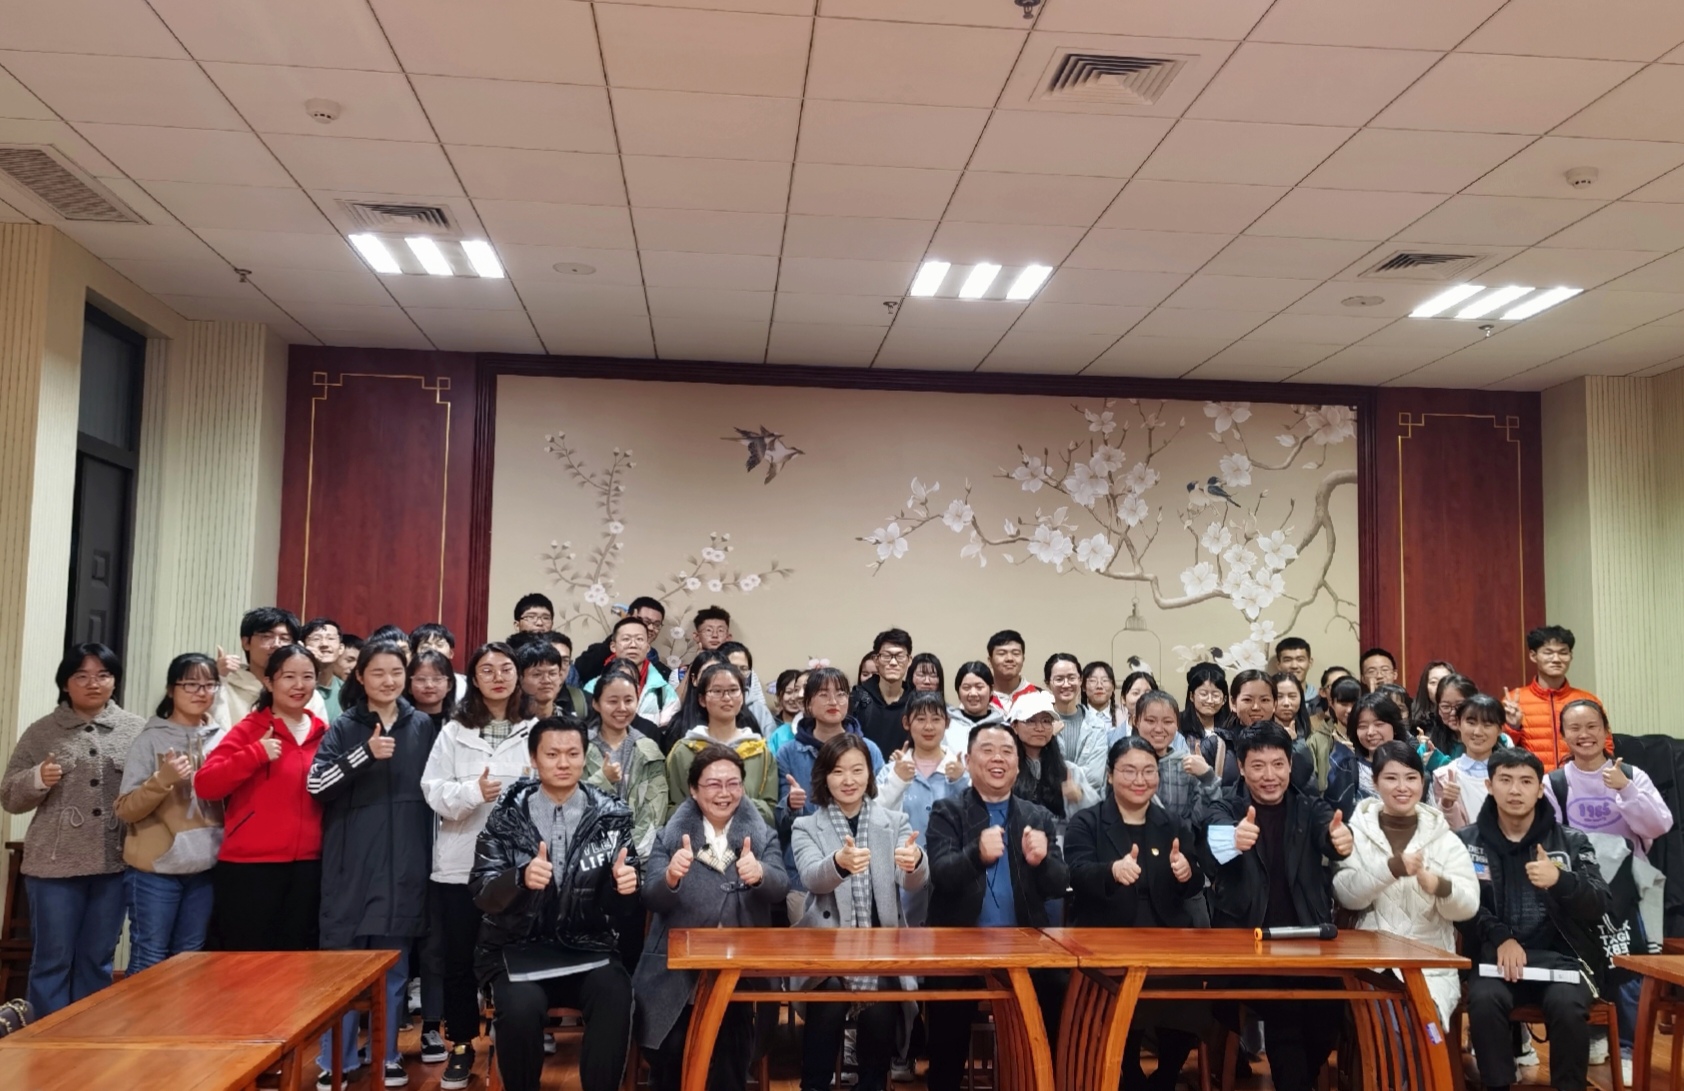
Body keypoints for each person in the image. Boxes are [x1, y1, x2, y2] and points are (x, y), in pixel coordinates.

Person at [472, 718, 641, 1091]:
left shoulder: (611, 816)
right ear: (534, 759)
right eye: (552, 754)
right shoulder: (506, 817)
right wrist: (520, 879)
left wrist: (625, 888)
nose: (563, 762)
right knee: (520, 1008)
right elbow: (483, 890)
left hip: (588, 948)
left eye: (572, 753)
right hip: (516, 950)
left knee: (615, 993)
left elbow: (624, 907)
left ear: (585, 757)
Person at [309, 641, 441, 1090]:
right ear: (361, 677)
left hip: (405, 861)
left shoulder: (422, 726)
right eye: (378, 672)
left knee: (394, 968)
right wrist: (363, 754)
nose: (388, 680)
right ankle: (336, 1058)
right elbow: (316, 784)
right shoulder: (344, 726)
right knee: (341, 968)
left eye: (396, 672)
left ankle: (385, 1054)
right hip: (350, 864)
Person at [1201, 722, 1353, 1091]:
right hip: (1246, 949)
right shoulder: (1226, 807)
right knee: (1286, 1008)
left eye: (1278, 764)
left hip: (1307, 943)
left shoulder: (1310, 807)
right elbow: (1209, 846)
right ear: (1241, 766)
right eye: (1258, 766)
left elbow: (1329, 833)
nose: (1269, 776)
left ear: (1290, 765)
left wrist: (1339, 840)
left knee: (1332, 1008)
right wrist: (1233, 839)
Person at [924, 720, 1069, 1091]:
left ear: (1018, 765)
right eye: (987, 751)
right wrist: (976, 854)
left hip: (1023, 946)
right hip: (960, 945)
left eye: (1007, 752)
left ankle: (1038, 1080)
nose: (998, 759)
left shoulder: (1036, 816)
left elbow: (1059, 885)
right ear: (969, 761)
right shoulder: (948, 811)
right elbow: (941, 874)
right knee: (947, 1029)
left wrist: (1043, 861)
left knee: (1058, 990)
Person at [1, 644, 146, 1015]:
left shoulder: (137, 729)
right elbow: (9, 796)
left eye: (103, 675)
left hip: (114, 863)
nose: (93, 683)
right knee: (52, 959)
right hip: (53, 867)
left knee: (97, 959)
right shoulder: (42, 732)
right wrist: (37, 778)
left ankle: (87, 1034)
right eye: (81, 676)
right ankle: (45, 1037)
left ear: (114, 681)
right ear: (65, 683)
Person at [635, 744, 786, 1091]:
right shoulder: (669, 837)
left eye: (733, 784)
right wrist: (670, 877)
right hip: (675, 970)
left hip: (741, 970)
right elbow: (651, 896)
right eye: (713, 784)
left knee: (732, 1037)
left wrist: (760, 874)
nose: (724, 793)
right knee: (673, 1045)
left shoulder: (762, 835)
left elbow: (779, 888)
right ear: (693, 789)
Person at [1458, 747, 1609, 1091]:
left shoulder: (1571, 841)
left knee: (1567, 1006)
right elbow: (1461, 906)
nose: (1515, 790)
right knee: (1484, 1001)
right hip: (1494, 961)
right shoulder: (1465, 842)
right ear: (1489, 785)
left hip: (1563, 961)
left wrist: (1561, 880)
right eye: (1505, 780)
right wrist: (1500, 937)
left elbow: (1600, 902)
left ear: (1540, 789)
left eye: (1526, 781)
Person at [421, 642, 533, 1088]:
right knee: (459, 961)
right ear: (474, 679)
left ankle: (512, 1040)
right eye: (487, 670)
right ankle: (462, 1045)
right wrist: (473, 793)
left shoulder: (534, 728)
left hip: (516, 867)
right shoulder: (454, 730)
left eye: (506, 668)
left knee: (513, 957)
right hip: (460, 864)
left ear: (517, 675)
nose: (498, 677)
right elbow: (432, 790)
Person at [1065, 737, 1206, 1091]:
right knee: (1121, 996)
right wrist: (1111, 870)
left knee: (1190, 995)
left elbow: (1195, 879)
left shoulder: (1172, 823)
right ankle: (1129, 1073)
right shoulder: (1087, 821)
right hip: (1107, 935)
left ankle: (1167, 1075)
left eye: (1148, 771)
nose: (1139, 780)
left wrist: (1187, 873)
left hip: (1167, 935)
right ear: (1110, 775)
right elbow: (1076, 873)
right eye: (1129, 771)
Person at [793, 734, 928, 1091]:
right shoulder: (806, 826)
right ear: (824, 777)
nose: (848, 780)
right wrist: (838, 863)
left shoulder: (894, 821)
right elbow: (811, 877)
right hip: (826, 951)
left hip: (882, 948)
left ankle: (873, 1084)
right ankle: (814, 1084)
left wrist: (914, 862)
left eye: (857, 770)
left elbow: (912, 881)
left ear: (870, 773)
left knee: (882, 1001)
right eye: (838, 771)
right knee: (829, 997)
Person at [1547, 698, 1674, 1079]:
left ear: (1606, 731)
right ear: (1563, 735)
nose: (1584, 735)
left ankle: (1630, 1050)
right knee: (1584, 964)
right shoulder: (1555, 782)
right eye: (1575, 728)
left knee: (1629, 968)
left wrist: (1626, 791)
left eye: (1592, 726)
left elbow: (1659, 826)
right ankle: (1595, 1036)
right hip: (1579, 889)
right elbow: (1550, 835)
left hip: (1627, 888)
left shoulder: (1632, 775)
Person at [194, 644, 328, 954]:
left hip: (309, 866)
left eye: (308, 677)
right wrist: (255, 753)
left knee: (298, 962)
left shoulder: (326, 734)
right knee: (245, 962)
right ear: (269, 682)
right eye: (288, 677)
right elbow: (206, 785)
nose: (299, 685)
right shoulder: (251, 729)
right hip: (250, 867)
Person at [1332, 741, 1478, 1024]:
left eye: (1411, 778)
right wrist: (1390, 869)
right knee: (1387, 1025)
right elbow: (1347, 894)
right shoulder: (1357, 833)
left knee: (1421, 1025)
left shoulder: (1445, 839)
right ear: (1375, 782)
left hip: (1430, 964)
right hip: (1372, 963)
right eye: (1391, 778)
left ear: (1422, 782)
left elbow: (1468, 905)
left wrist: (1439, 886)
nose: (1402, 787)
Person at [114, 653, 224, 976]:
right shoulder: (150, 739)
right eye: (190, 684)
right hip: (155, 870)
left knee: (189, 960)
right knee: (150, 957)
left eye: (209, 684)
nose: (201, 692)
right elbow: (126, 809)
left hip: (205, 867)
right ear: (171, 689)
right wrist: (162, 780)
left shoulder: (222, 738)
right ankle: (139, 1014)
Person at [776, 667, 883, 919]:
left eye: (841, 694)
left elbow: (881, 810)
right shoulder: (789, 753)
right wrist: (791, 805)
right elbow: (779, 822)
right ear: (808, 704)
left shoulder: (869, 750)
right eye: (823, 694)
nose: (834, 701)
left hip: (861, 873)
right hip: (805, 877)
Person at [875, 691, 966, 925]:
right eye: (920, 719)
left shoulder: (961, 769)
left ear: (947, 723)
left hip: (952, 873)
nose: (928, 726)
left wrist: (962, 781)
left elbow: (975, 817)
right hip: (903, 872)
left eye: (936, 719)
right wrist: (897, 781)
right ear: (907, 722)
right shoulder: (891, 770)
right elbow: (874, 818)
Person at [667, 661, 779, 822]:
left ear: (743, 696)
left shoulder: (760, 753)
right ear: (702, 699)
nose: (726, 698)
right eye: (717, 691)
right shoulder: (683, 751)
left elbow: (771, 812)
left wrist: (741, 801)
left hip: (748, 835)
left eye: (733, 690)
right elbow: (671, 809)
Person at [583, 662, 668, 860]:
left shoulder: (649, 750)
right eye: (612, 701)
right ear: (596, 704)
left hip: (637, 860)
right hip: (587, 858)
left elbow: (654, 813)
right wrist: (602, 779)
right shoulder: (578, 747)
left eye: (629, 700)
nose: (622, 708)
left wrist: (628, 856)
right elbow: (570, 803)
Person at [212, 607, 329, 726]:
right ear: (246, 642)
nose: (276, 645)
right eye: (266, 637)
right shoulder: (227, 685)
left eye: (285, 638)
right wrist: (217, 677)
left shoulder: (305, 692)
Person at [1508, 625, 1601, 772]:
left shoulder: (1588, 700)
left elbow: (1605, 746)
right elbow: (1500, 751)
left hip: (1577, 781)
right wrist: (1513, 728)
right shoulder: (1514, 700)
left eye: (1563, 653)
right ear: (1533, 656)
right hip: (1532, 782)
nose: (1556, 659)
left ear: (1571, 656)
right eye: (1548, 653)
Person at [1128, 691, 1217, 831]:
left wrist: (1207, 776)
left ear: (1177, 724)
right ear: (1136, 721)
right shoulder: (1123, 762)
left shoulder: (1186, 765)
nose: (1159, 729)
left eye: (1168, 722)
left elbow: (1201, 817)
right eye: (1150, 721)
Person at [1008, 690, 1095, 830]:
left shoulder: (1069, 771)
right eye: (1030, 721)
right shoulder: (1006, 769)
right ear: (1014, 726)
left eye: (1046, 721)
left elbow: (1094, 816)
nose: (1039, 728)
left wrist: (1079, 797)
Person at [1435, 694, 1508, 831]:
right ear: (1458, 724)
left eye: (1487, 725)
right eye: (1471, 723)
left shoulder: (1512, 775)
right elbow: (1441, 830)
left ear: (1500, 729)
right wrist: (1447, 805)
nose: (1478, 732)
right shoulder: (1442, 776)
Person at [583, 616, 677, 721]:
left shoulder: (663, 690)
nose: (633, 645)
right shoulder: (592, 688)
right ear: (613, 646)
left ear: (647, 647)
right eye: (626, 639)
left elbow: (670, 728)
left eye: (639, 639)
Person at [1045, 653, 1111, 793]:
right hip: (1046, 803)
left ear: (1081, 680)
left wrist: (1061, 780)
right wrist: (1048, 738)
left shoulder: (1097, 726)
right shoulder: (1040, 724)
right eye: (1059, 679)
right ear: (1048, 683)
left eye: (1071, 678)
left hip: (1086, 803)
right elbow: (1037, 770)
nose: (1066, 684)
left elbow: (1095, 777)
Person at [851, 627, 914, 756]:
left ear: (909, 661)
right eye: (886, 656)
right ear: (876, 660)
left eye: (900, 656)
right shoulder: (858, 698)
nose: (893, 662)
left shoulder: (916, 701)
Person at [575, 597, 665, 685]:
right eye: (646, 621)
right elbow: (580, 670)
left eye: (657, 624)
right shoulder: (600, 652)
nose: (651, 628)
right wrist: (625, 630)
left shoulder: (661, 671)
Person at [1307, 674, 1362, 816]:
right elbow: (1311, 787)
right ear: (1331, 703)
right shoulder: (1316, 740)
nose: (1349, 710)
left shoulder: (1370, 738)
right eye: (1343, 704)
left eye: (1354, 703)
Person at [1422, 673, 1480, 776]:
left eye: (1460, 706)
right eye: (1445, 707)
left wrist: (1442, 763)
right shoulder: (1429, 746)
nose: (1453, 713)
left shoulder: (1490, 739)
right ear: (1438, 710)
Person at [717, 640, 779, 735]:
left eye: (744, 669)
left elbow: (770, 742)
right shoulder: (709, 701)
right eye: (732, 667)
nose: (738, 673)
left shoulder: (758, 709)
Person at [517, 640, 588, 721]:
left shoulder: (572, 724)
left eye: (552, 673)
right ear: (520, 678)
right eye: (537, 674)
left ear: (560, 675)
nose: (547, 680)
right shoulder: (510, 723)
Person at [946, 660, 1005, 751]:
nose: (973, 693)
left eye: (979, 687)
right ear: (958, 692)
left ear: (991, 690)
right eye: (966, 687)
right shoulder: (946, 725)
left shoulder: (1004, 728)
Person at [411, 623, 469, 704]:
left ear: (451, 653)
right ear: (414, 655)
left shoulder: (465, 684)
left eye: (439, 645)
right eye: (426, 647)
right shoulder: (407, 682)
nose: (433, 650)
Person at [302, 617, 346, 719]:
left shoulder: (346, 691)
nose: (324, 644)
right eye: (316, 639)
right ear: (303, 646)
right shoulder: (295, 687)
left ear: (341, 648)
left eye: (331, 638)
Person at [1179, 662, 1228, 752]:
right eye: (1203, 694)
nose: (1209, 700)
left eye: (1215, 695)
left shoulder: (1231, 727)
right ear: (1191, 696)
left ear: (1224, 699)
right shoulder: (1178, 723)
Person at [1104, 668, 1159, 745]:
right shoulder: (1109, 738)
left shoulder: (1170, 734)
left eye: (1148, 693)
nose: (1142, 697)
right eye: (1135, 693)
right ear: (1123, 699)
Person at [986, 629, 1037, 710]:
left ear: (1023, 659)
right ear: (990, 661)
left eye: (1016, 653)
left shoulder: (1038, 696)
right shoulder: (980, 698)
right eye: (1002, 653)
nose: (1009, 658)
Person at [407, 648, 459, 727]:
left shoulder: (459, 723)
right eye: (421, 679)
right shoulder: (400, 723)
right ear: (409, 686)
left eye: (437, 679)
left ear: (449, 685)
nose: (429, 685)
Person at [1274, 637, 1315, 731]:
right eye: (1287, 660)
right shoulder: (1269, 700)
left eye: (1300, 659)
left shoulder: (1321, 702)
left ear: (1310, 663)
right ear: (1278, 665)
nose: (1294, 666)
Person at [764, 668, 806, 756]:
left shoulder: (811, 726)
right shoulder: (769, 725)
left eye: (797, 691)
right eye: (789, 692)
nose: (793, 698)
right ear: (779, 696)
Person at [1082, 661, 1119, 728]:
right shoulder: (1076, 716)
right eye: (1093, 680)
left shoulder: (1123, 716)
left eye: (1105, 680)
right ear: (1083, 687)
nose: (1099, 686)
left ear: (1113, 687)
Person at [1270, 671, 1305, 736]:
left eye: (1292, 696)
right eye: (1279, 696)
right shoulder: (1260, 731)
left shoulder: (1314, 726)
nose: (1286, 703)